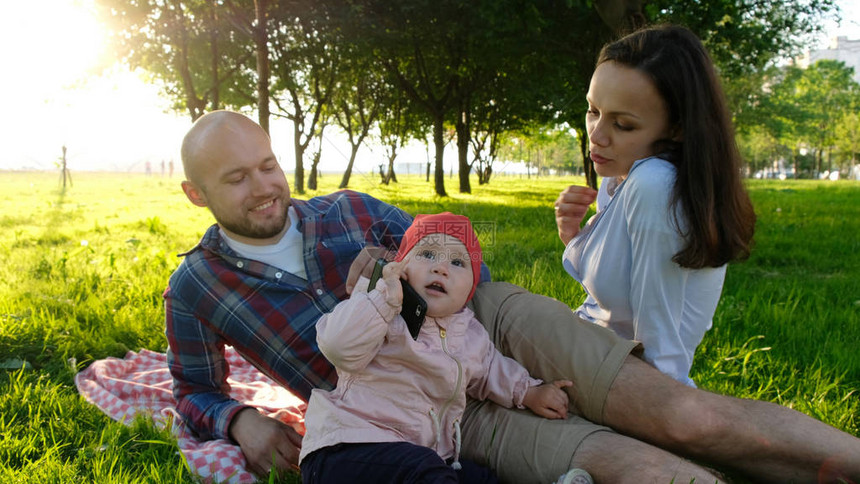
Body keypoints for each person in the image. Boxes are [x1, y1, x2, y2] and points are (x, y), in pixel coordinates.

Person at [166, 108, 860, 484]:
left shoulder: (346, 210)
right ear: (197, 194)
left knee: (683, 417)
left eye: (267, 165)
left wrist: (403, 263)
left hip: (492, 319)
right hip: (430, 414)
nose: (265, 188)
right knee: (637, 468)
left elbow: (468, 257)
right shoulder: (198, 285)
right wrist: (238, 422)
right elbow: (192, 388)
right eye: (236, 179)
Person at [299, 212, 583, 483]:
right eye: (427, 254)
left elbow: (492, 369)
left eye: (458, 263)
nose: (440, 267)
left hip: (422, 455)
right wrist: (385, 298)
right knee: (426, 474)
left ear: (471, 287)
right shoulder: (381, 309)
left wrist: (530, 391)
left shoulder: (471, 334)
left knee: (478, 477)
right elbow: (338, 346)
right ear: (401, 266)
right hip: (347, 448)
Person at [553, 24, 755, 386]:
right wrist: (576, 237)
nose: (596, 136)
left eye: (623, 124)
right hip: (585, 352)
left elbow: (659, 350)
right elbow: (617, 297)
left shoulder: (653, 184)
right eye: (593, 110)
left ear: (677, 129)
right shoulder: (621, 177)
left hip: (608, 379)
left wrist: (656, 414)